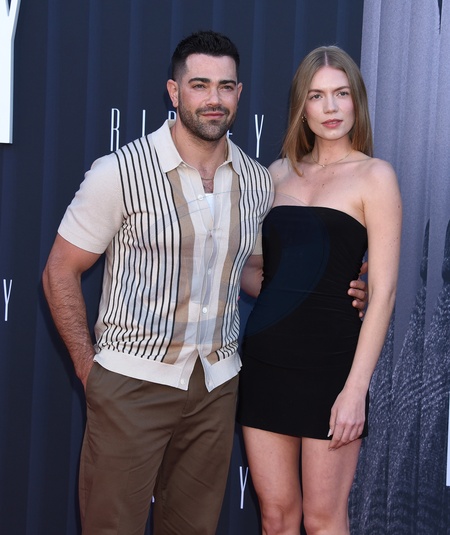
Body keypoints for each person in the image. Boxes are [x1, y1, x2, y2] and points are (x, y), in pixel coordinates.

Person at [42, 32, 367, 535]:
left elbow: (257, 273)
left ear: (239, 93)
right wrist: (91, 372)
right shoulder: (119, 172)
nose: (214, 98)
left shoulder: (258, 182)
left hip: (217, 387)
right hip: (132, 383)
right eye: (199, 85)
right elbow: (60, 270)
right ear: (174, 92)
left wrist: (336, 287)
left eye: (225, 86)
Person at [237, 45, 402, 535]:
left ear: (356, 101)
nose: (330, 108)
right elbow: (251, 270)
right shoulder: (275, 175)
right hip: (267, 361)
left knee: (323, 519)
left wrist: (356, 390)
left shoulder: (375, 176)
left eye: (341, 94)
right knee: (275, 516)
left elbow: (384, 293)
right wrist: (284, 285)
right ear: (301, 107)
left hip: (333, 368)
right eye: (316, 96)